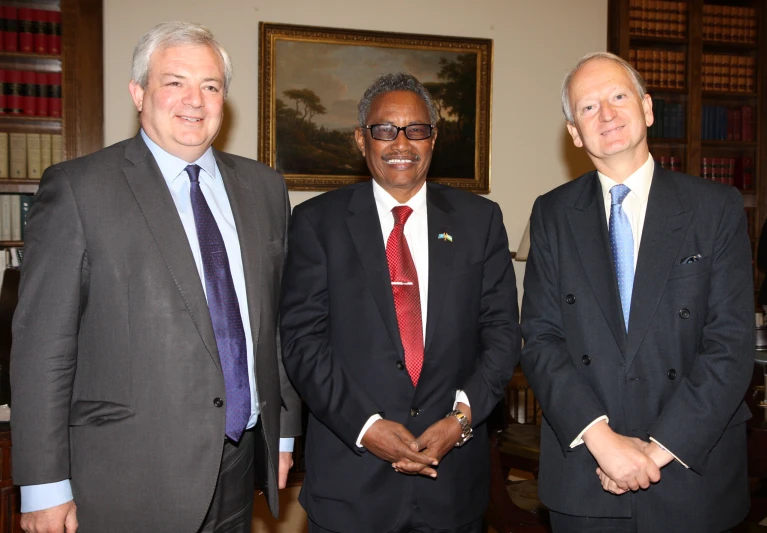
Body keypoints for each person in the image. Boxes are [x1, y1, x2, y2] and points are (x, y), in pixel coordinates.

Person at [10, 21, 301, 533]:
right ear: (139, 93)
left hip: (238, 464)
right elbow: (42, 350)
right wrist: (43, 486)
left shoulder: (264, 189)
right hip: (127, 476)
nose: (194, 100)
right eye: (175, 82)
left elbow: (274, 324)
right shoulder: (79, 190)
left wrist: (280, 434)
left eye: (210, 86)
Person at [520, 51, 754, 533]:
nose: (605, 114)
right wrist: (604, 442)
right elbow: (541, 341)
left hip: (693, 470)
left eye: (618, 97)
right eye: (588, 107)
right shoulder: (551, 214)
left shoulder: (716, 208)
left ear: (646, 108)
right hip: (585, 472)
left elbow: (730, 346)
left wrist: (657, 448)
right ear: (574, 132)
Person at [279, 73, 519, 533]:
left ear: (433, 138)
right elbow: (303, 344)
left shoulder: (480, 220)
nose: (401, 143)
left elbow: (503, 332)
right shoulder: (316, 222)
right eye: (385, 129)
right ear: (360, 139)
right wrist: (366, 426)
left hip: (453, 485)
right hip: (351, 488)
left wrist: (461, 420)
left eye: (417, 129)